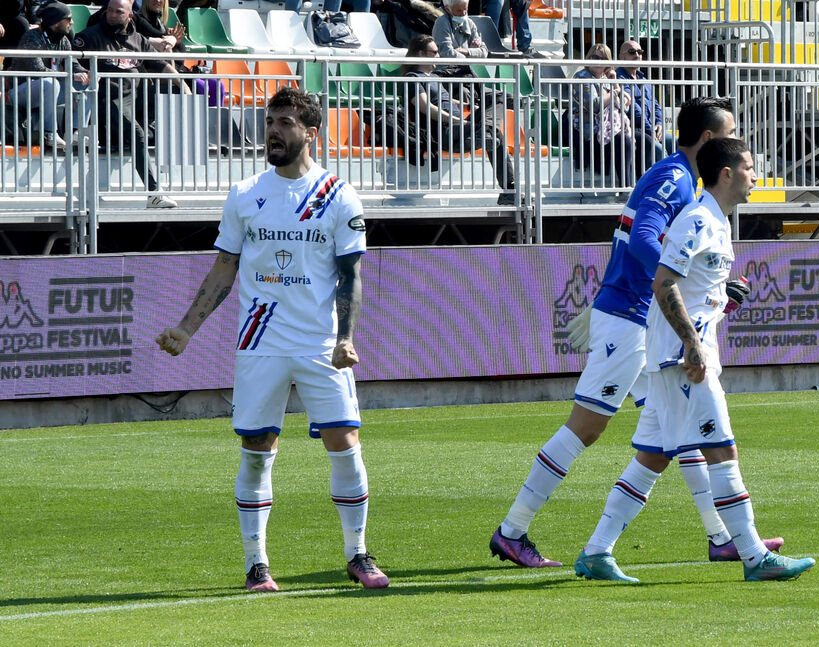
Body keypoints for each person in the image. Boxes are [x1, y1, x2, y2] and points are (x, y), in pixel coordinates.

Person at [490, 97, 783, 568]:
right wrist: (677, 280)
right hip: (631, 315)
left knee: (675, 436)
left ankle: (721, 537)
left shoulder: (683, 180)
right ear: (709, 141)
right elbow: (646, 239)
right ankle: (513, 530)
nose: (735, 143)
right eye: (729, 135)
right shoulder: (674, 179)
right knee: (587, 428)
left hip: (649, 319)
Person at [155, 87, 389, 592]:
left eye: (284, 122)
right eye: (269, 122)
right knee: (257, 449)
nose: (273, 131)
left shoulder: (337, 196)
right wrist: (186, 329)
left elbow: (351, 276)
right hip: (260, 341)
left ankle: (358, 553)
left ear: (310, 132)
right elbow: (224, 267)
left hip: (320, 344)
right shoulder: (245, 194)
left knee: (345, 444)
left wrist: (346, 338)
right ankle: (256, 564)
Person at [574, 138, 816, 583]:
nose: (755, 176)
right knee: (722, 449)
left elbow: (693, 292)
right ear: (726, 173)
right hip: (681, 360)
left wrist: (722, 302)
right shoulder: (697, 219)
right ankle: (753, 557)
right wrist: (690, 343)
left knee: (652, 457)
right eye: (748, 167)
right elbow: (663, 283)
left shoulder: (717, 221)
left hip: (680, 355)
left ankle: (596, 553)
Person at [72, 0, 183, 208]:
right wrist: (81, 71)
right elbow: (72, 60)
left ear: (129, 16)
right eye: (110, 11)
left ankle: (162, 148)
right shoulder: (90, 36)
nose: (112, 15)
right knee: (138, 134)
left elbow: (159, 65)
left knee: (172, 89)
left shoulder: (138, 39)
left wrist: (183, 84)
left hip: (136, 98)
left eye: (118, 12)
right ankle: (154, 194)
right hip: (108, 99)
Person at [402, 34, 518, 205]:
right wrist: (456, 120)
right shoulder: (412, 78)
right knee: (493, 134)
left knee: (496, 99)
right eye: (434, 52)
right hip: (445, 132)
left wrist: (470, 107)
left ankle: (509, 188)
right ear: (420, 54)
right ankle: (485, 133)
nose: (438, 56)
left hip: (460, 127)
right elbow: (425, 107)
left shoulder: (434, 77)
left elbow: (445, 100)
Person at [9, 1, 88, 150]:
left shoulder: (63, 39)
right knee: (50, 83)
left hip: (50, 89)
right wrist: (69, 76)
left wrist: (84, 74)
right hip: (22, 91)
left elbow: (73, 64)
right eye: (68, 19)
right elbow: (37, 70)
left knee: (86, 83)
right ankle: (49, 133)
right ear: (56, 22)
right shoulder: (31, 37)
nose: (72, 22)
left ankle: (78, 132)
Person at [567, 43, 635, 189]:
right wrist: (614, 93)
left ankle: (644, 188)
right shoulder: (583, 77)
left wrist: (614, 83)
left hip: (607, 127)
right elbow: (594, 105)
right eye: (595, 57)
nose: (598, 61)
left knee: (644, 140)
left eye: (603, 58)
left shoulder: (605, 79)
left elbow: (624, 106)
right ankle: (626, 186)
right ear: (589, 58)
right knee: (624, 140)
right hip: (589, 129)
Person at [616, 40, 675, 179]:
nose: (637, 55)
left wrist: (659, 124)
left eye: (640, 52)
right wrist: (650, 129)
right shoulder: (619, 77)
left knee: (678, 143)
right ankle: (665, 185)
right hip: (634, 129)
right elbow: (633, 110)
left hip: (650, 128)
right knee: (660, 151)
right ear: (621, 56)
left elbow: (655, 104)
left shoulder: (643, 78)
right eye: (632, 52)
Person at [0, 0, 37, 71]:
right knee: (22, 24)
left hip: (18, 20)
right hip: (4, 20)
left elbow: (34, 4)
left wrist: (37, 23)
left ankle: (11, 71)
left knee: (23, 25)